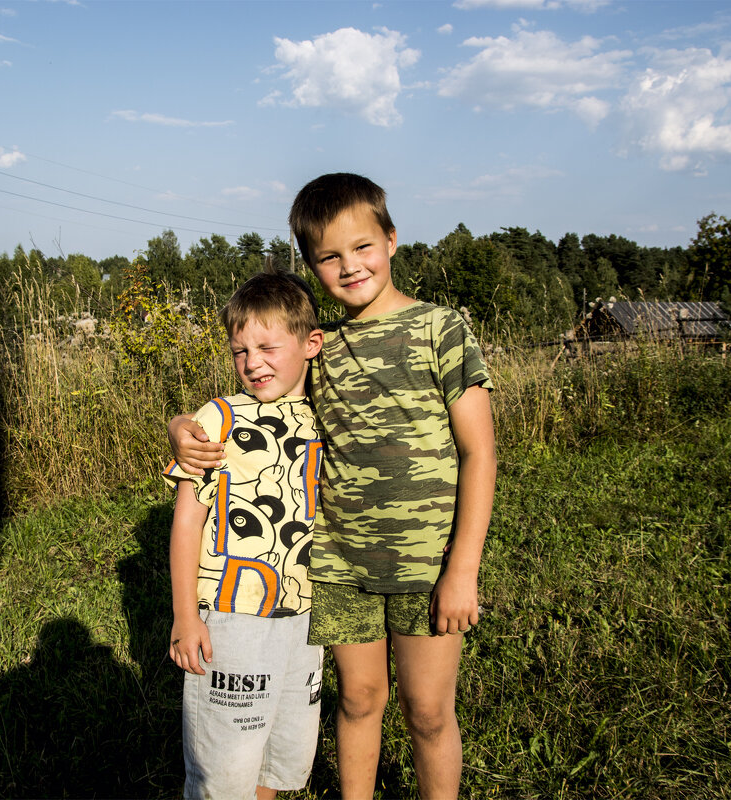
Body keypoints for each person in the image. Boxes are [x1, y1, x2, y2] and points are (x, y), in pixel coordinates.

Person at [169, 173, 496, 799]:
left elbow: (480, 452)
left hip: (427, 564)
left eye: (363, 247)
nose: (350, 267)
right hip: (338, 566)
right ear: (311, 264)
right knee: (359, 699)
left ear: (392, 240)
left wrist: (464, 568)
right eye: (329, 256)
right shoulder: (322, 348)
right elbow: (257, 403)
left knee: (428, 713)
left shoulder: (441, 328)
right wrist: (179, 426)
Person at [163, 269, 327, 800]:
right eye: (240, 351)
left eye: (267, 347)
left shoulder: (329, 417)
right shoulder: (219, 418)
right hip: (234, 618)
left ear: (310, 344)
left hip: (306, 618)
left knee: (279, 758)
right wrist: (186, 616)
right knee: (225, 765)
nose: (252, 362)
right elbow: (188, 519)